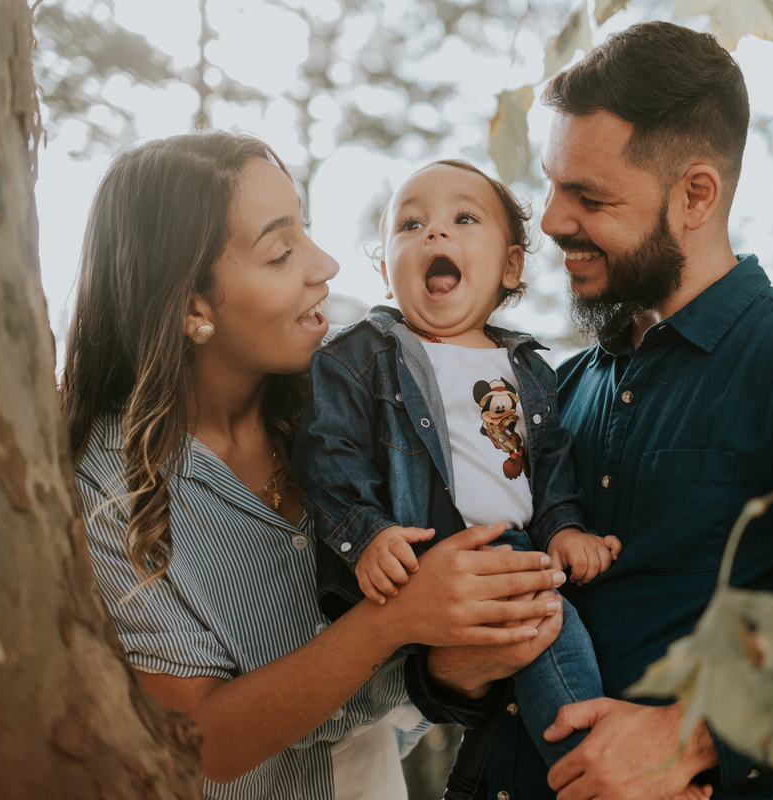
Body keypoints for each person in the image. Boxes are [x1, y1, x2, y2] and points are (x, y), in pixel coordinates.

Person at [406, 21, 773, 800]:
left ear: (695, 195)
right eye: (550, 184)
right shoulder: (555, 389)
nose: (548, 220)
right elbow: (462, 673)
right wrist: (450, 668)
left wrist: (697, 734)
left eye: (589, 195)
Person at [62, 132, 565, 800]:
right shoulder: (108, 489)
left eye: (307, 229)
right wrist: (394, 620)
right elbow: (203, 740)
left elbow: (401, 699)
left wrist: (454, 669)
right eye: (280, 252)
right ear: (192, 309)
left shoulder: (349, 412)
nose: (324, 264)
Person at [290, 159, 627, 800]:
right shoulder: (360, 356)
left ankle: (571, 769)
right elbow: (328, 456)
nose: (435, 235)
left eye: (463, 219)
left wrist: (566, 526)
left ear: (510, 266)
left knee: (546, 636)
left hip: (513, 549)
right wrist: (367, 535)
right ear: (386, 267)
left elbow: (549, 464)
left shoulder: (529, 370)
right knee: (546, 623)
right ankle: (600, 771)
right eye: (411, 224)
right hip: (430, 559)